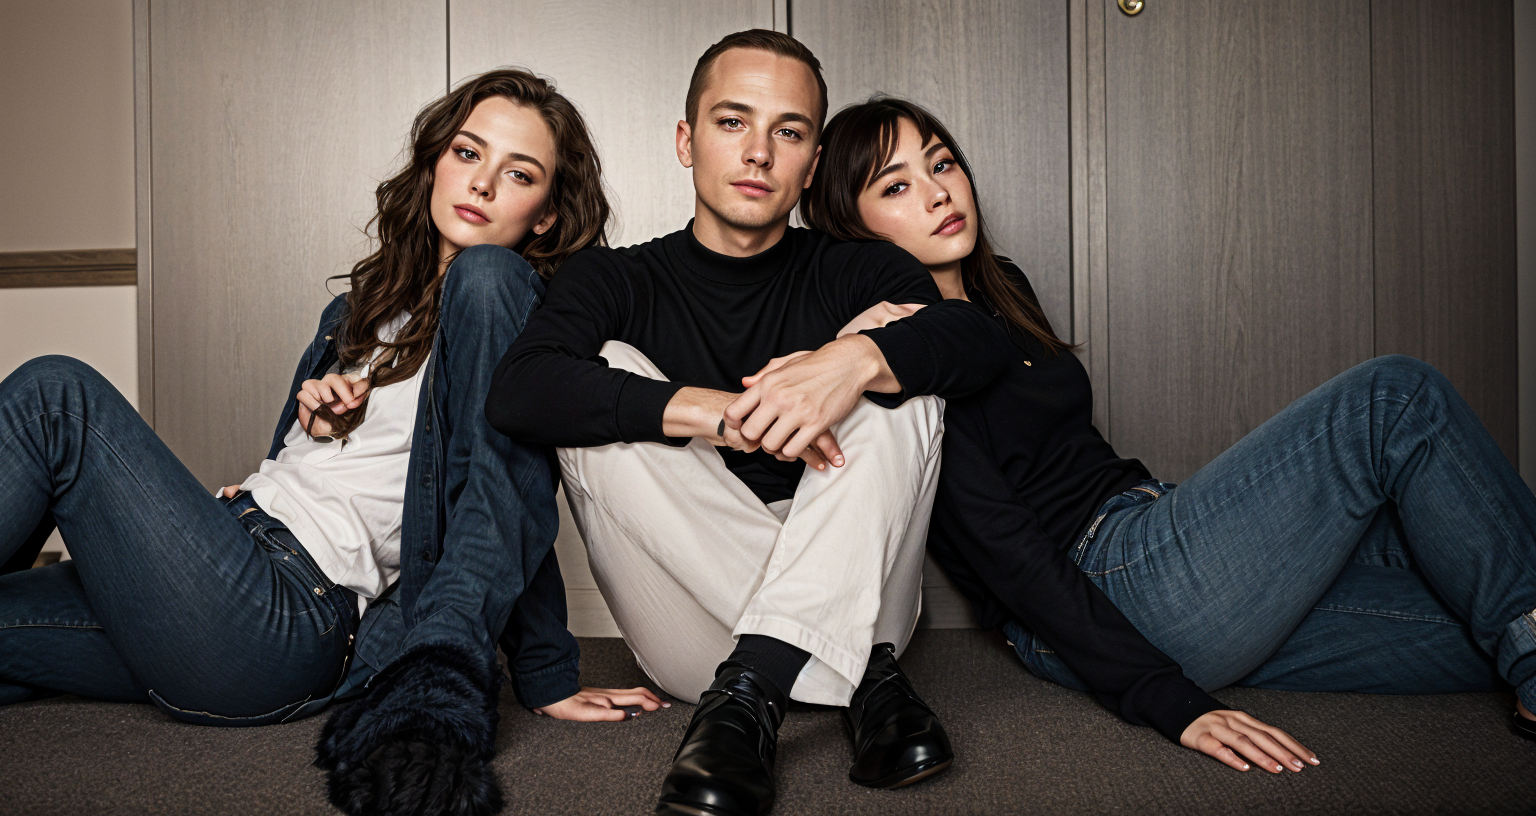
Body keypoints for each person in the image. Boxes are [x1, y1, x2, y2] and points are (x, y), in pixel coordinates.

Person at [800, 95, 1536, 775]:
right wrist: (1168, 699)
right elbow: (1006, 550)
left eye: (941, 164)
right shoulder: (895, 363)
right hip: (1109, 583)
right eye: (896, 187)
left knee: (1475, 603)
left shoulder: (1003, 288)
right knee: (1394, 397)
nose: (937, 193)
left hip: (1160, 549)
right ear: (854, 227)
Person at [0, 69, 654, 816]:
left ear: (546, 214)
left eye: (519, 173)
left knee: (56, 397)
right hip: (230, 560)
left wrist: (546, 672)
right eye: (469, 153)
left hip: (285, 611)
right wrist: (311, 427)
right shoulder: (354, 312)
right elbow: (311, 473)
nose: (482, 182)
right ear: (437, 160)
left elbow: (506, 484)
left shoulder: (505, 301)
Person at [488, 31, 1012, 816]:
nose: (759, 153)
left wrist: (847, 364)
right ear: (686, 140)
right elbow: (519, 392)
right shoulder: (614, 277)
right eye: (732, 122)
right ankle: (864, 681)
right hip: (704, 628)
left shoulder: (856, 267)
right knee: (606, 371)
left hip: (861, 591)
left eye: (788, 132)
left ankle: (752, 689)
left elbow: (978, 342)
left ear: (813, 161)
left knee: (894, 353)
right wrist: (712, 412)